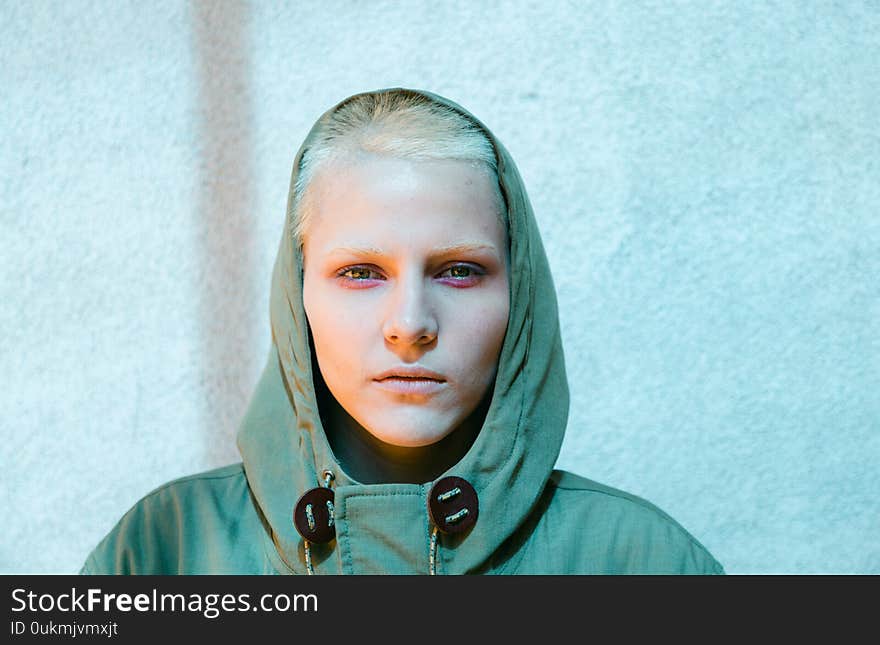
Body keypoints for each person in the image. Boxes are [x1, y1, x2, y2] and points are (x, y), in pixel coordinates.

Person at [81, 87, 724, 575]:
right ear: (296, 293)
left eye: (460, 271)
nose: (410, 325)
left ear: (520, 295)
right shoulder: (164, 550)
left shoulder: (639, 562)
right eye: (361, 272)